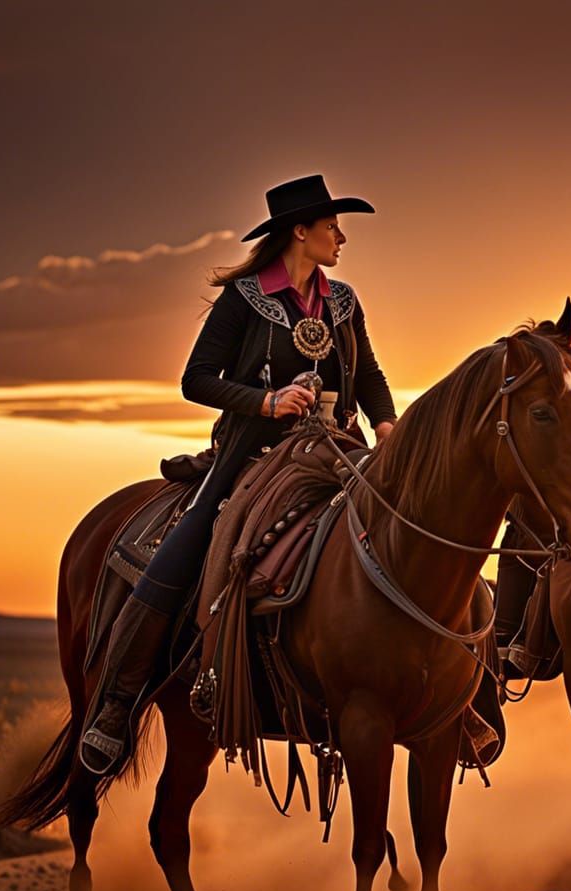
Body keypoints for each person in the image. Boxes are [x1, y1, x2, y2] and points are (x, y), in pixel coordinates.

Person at [80, 174, 398, 774]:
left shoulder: (343, 301)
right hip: (253, 454)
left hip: (337, 450)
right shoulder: (244, 299)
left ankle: (459, 700)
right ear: (300, 232)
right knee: (192, 534)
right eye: (332, 226)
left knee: (408, 524)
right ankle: (117, 704)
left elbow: (373, 376)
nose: (342, 237)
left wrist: (387, 427)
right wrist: (266, 402)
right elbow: (195, 379)